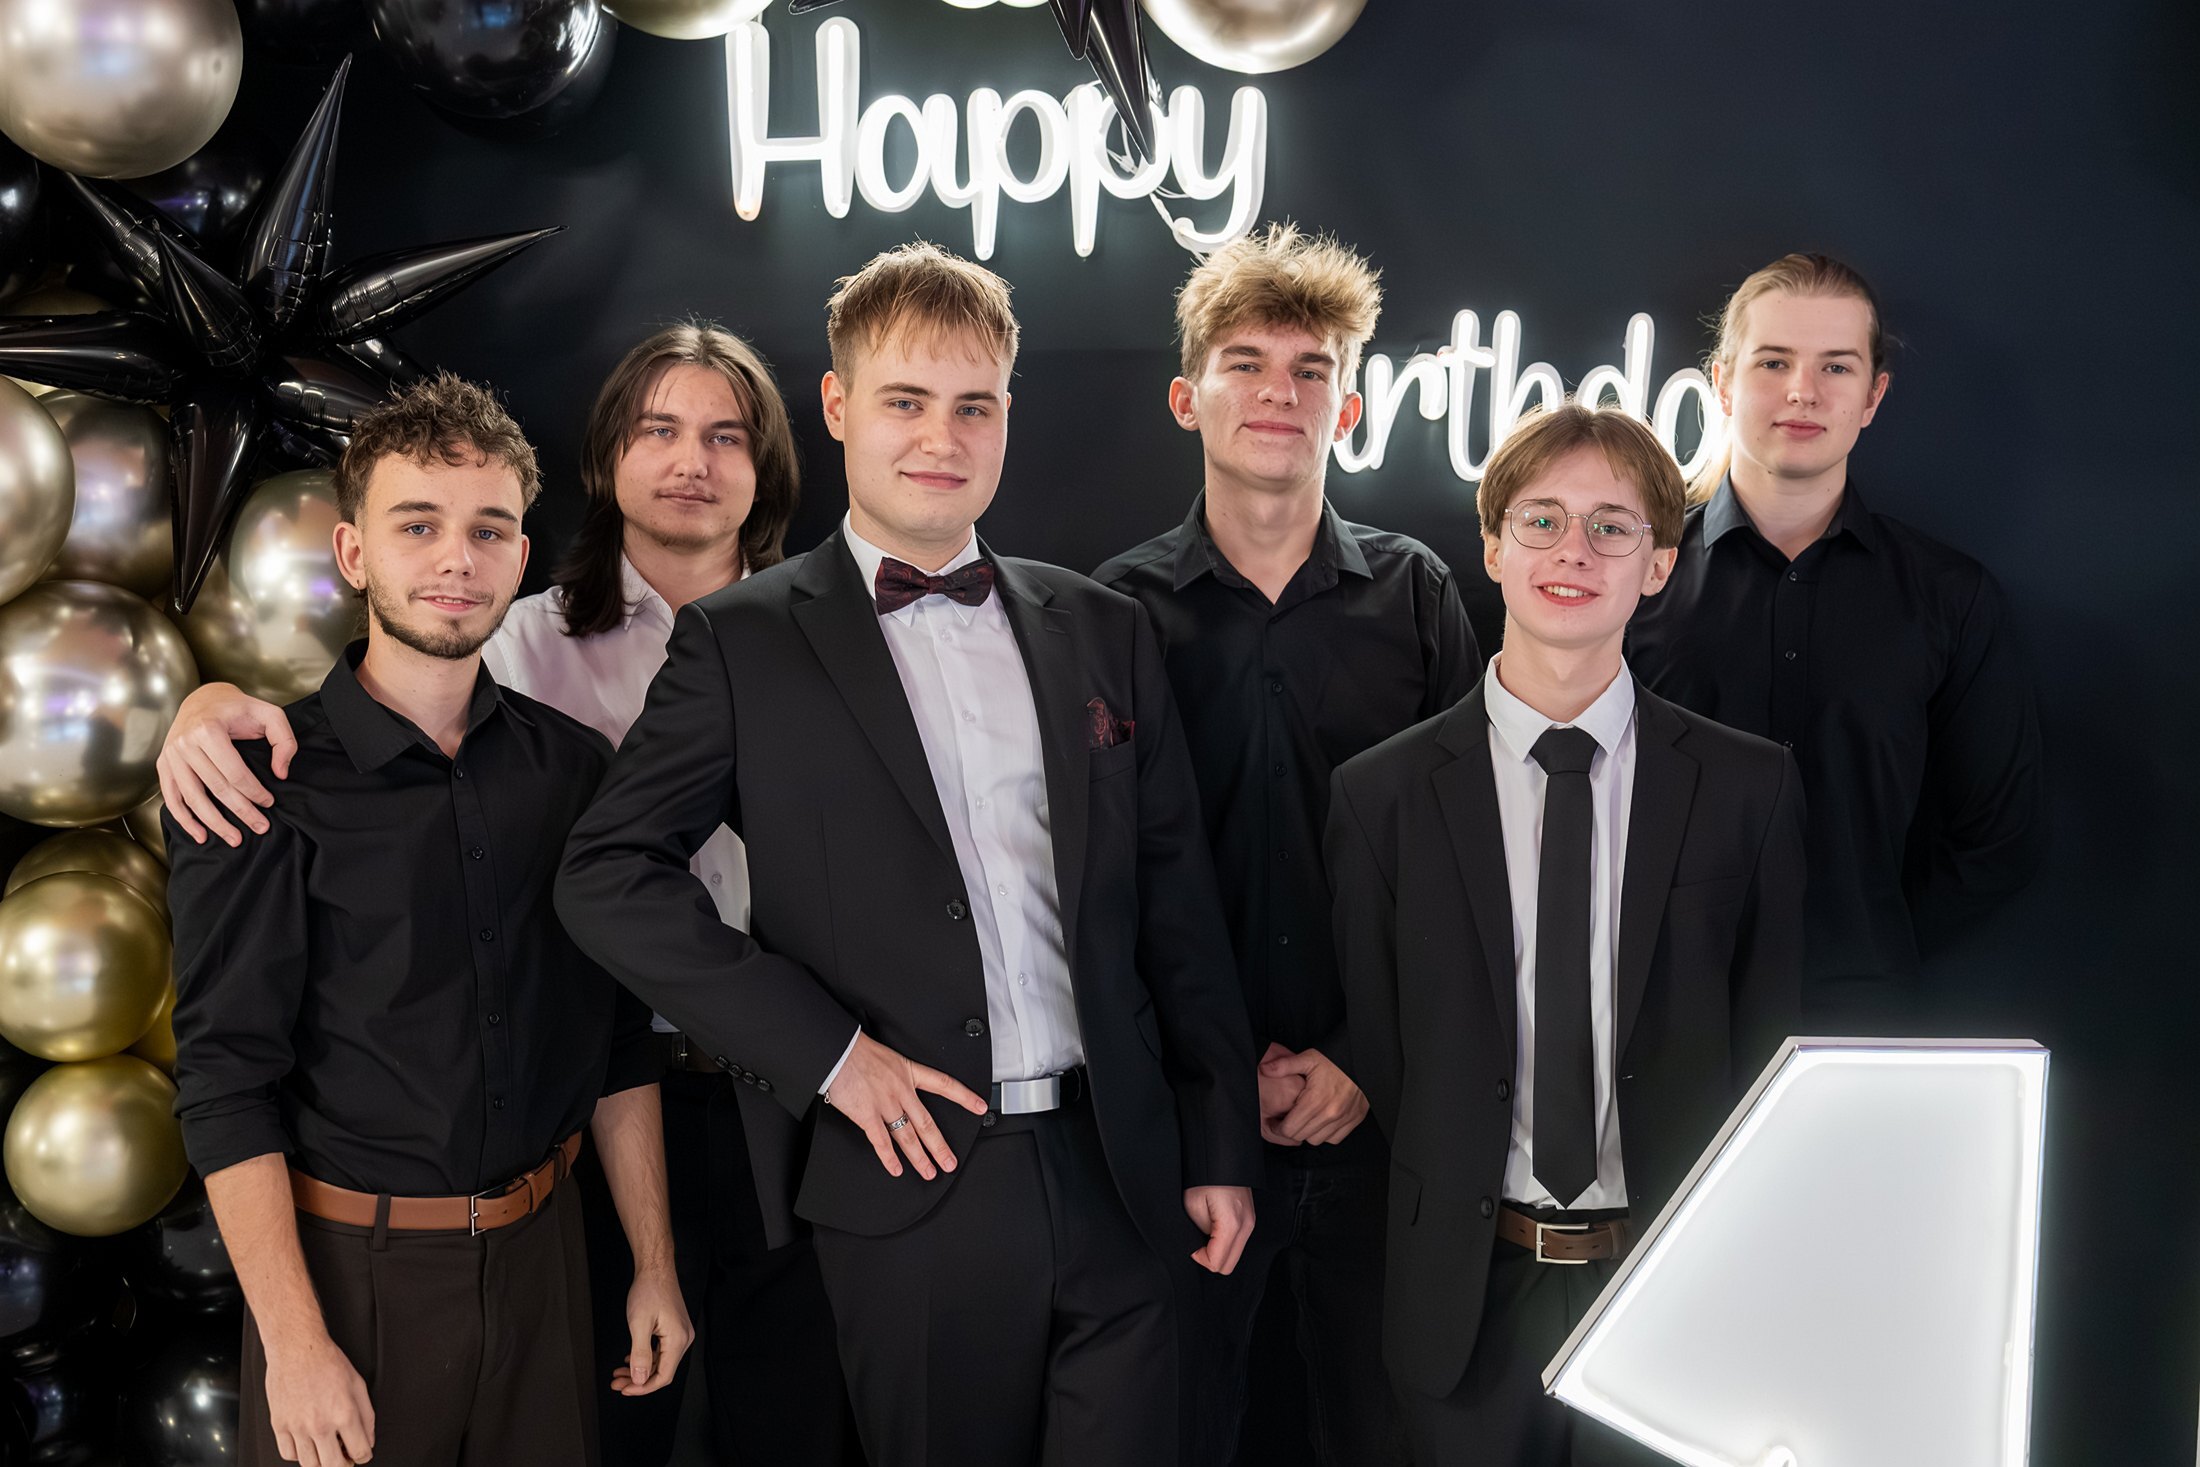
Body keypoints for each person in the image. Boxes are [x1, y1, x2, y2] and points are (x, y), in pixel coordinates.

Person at [556, 241, 1261, 1467]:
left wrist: (1218, 1142)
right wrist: (828, 1058)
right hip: (913, 1180)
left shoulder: (1101, 626)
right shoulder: (740, 643)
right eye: (906, 401)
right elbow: (604, 876)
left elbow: (1175, 906)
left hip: (1124, 1169)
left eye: (973, 405)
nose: (942, 437)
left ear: (1007, 417)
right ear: (837, 408)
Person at [154, 325, 859, 1466]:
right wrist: (293, 1341)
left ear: (519, 551)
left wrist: (651, 1263)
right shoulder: (265, 783)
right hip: (357, 1269)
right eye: (417, 526)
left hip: (553, 1248)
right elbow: (227, 1082)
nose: (455, 559)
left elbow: (609, 1033)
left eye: (486, 531)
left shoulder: (572, 769)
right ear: (352, 552)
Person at [1326, 402, 1804, 1463]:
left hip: (1671, 1289)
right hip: (1465, 1298)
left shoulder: (1748, 789)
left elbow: (1764, 1041)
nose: (1572, 551)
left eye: (1610, 526)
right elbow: (1392, 1057)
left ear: (1659, 563)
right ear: (1493, 547)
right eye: (1540, 520)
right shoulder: (1380, 797)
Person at [1093, 224, 1478, 1466]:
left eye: (1311, 370)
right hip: (1180, 1134)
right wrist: (1212, 1085)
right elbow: (1099, 885)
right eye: (1245, 364)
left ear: (1347, 408)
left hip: (1376, 1122)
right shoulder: (1112, 614)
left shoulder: (1417, 596)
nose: (1279, 392)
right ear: (1186, 397)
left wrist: (1363, 1059)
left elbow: (1468, 867)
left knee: (1372, 1433)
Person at [1626, 253, 2044, 1031]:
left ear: (1873, 396)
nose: (1802, 391)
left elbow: (1997, 837)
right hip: (1650, 1023)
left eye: (1836, 366)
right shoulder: (1629, 580)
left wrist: (1869, 941)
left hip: (1860, 1021)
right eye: (1773, 361)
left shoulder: (1951, 598)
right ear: (1723, 382)